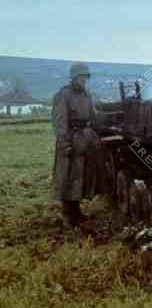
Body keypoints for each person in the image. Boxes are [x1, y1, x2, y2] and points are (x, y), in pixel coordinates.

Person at [52, 62, 99, 227]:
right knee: (67, 176)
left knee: (80, 178)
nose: (83, 80)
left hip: (84, 141)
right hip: (69, 140)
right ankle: (67, 214)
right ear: (73, 77)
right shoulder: (62, 95)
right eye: (81, 77)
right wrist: (64, 144)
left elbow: (93, 117)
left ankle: (76, 210)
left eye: (85, 77)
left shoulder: (88, 95)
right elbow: (60, 123)